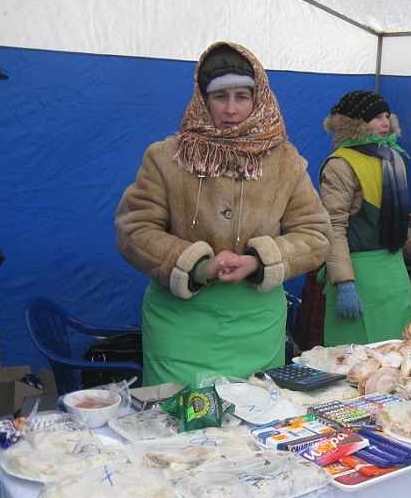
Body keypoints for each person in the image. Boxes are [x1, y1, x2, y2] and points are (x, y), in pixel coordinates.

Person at [115, 41, 332, 387]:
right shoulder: (166, 157)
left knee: (252, 426)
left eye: (242, 97)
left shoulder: (286, 163)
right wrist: (196, 264)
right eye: (220, 97)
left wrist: (261, 260)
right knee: (176, 426)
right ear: (203, 99)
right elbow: (134, 230)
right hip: (180, 324)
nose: (231, 109)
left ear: (257, 99)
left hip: (255, 324)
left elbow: (316, 235)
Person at [318, 90, 411, 346]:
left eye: (386, 116)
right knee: (356, 360)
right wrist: (345, 283)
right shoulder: (341, 164)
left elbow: (392, 215)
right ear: (355, 123)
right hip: (359, 274)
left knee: (400, 352)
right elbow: (333, 228)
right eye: (375, 117)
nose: (385, 123)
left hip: (394, 272)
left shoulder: (392, 157)